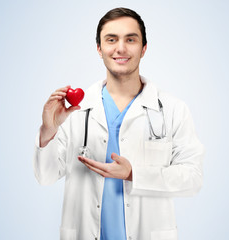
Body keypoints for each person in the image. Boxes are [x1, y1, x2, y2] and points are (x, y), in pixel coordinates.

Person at [34, 7, 204, 240]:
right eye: (111, 39)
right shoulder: (74, 111)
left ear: (144, 48)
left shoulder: (172, 109)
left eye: (130, 39)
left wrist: (135, 174)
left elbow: (192, 178)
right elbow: (46, 176)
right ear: (99, 48)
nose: (121, 48)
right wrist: (48, 131)